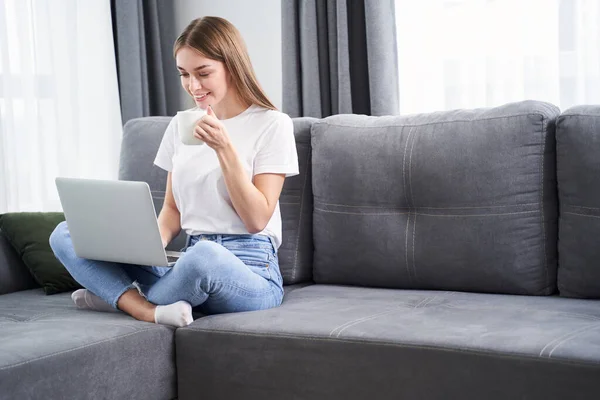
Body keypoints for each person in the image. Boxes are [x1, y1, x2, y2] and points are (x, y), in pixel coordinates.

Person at [49, 16, 299, 328]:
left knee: (205, 256)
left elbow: (256, 219)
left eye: (203, 73)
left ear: (232, 65)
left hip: (249, 270)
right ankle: (146, 307)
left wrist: (224, 148)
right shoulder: (182, 124)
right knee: (65, 233)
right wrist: (146, 247)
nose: (193, 86)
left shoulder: (273, 124)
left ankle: (121, 297)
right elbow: (172, 210)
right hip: (184, 265)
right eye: (184, 74)